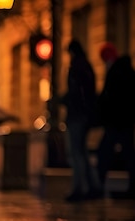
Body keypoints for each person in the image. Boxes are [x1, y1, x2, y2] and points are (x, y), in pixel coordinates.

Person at [61, 40, 103, 201]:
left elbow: (76, 93)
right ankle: (93, 185)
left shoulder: (76, 68)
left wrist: (64, 100)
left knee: (76, 152)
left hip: (77, 116)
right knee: (82, 152)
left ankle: (79, 187)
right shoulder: (86, 66)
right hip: (85, 115)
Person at [96, 43, 135, 198]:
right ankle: (131, 186)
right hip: (124, 121)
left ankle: (99, 186)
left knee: (105, 153)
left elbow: (110, 98)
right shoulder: (126, 71)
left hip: (116, 122)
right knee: (127, 154)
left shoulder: (116, 72)